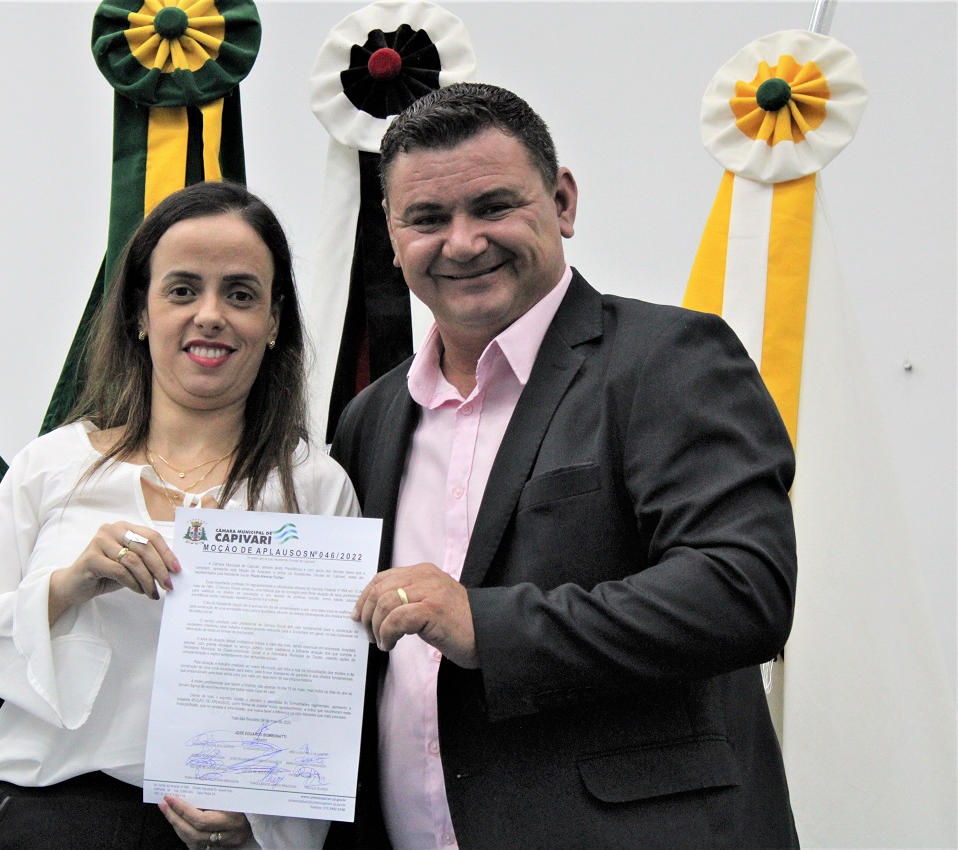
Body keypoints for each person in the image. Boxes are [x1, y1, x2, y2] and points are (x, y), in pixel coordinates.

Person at [328, 83, 798, 848]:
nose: (462, 242)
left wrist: (488, 625)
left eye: (493, 206)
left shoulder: (668, 359)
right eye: (428, 218)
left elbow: (742, 590)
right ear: (391, 232)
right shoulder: (371, 418)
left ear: (563, 202)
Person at [0, 181, 358, 850]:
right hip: (45, 823)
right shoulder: (54, 465)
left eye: (240, 294)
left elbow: (328, 699)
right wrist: (68, 585)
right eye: (182, 290)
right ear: (140, 312)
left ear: (275, 322)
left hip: (215, 837)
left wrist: (262, 818)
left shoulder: (315, 488)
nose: (210, 316)